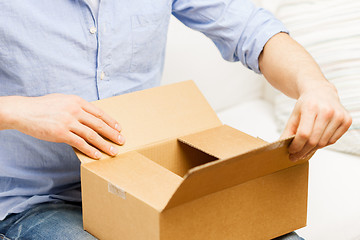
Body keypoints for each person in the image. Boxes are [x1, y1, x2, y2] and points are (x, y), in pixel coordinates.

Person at [0, 0, 351, 239]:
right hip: (38, 200)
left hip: (150, 183)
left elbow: (249, 29)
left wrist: (315, 85)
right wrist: (18, 110)